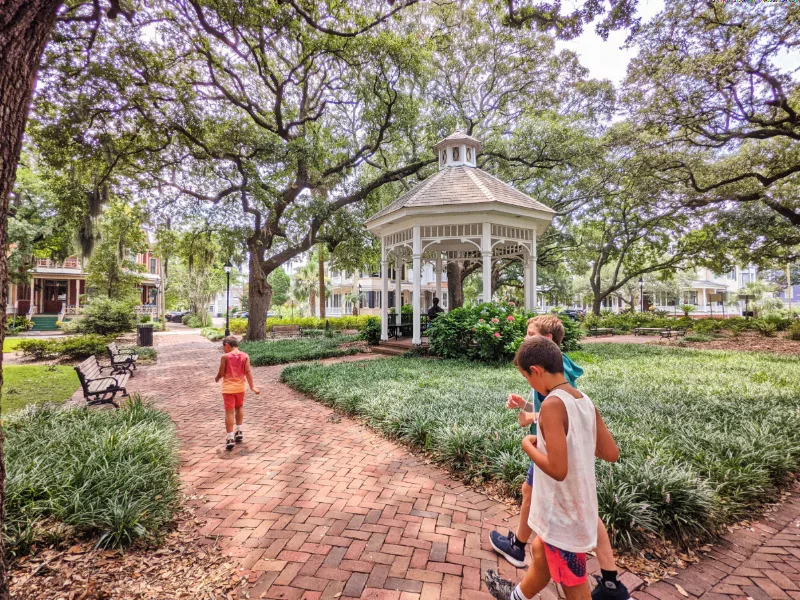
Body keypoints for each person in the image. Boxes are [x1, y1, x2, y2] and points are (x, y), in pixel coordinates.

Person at [489, 315, 628, 600]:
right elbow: (610, 453)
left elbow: (558, 469)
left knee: (574, 587)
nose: (529, 383)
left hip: (562, 514)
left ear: (537, 370)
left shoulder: (552, 405)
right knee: (540, 552)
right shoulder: (584, 400)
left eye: (527, 377)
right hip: (581, 508)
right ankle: (516, 597)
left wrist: (529, 444)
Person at [215, 336, 260, 451]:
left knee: (229, 412)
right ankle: (239, 431)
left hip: (228, 389)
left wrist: (217, 378)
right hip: (240, 388)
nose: (223, 349)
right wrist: (252, 386)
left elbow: (221, 372)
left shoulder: (225, 357)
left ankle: (230, 438)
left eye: (223, 347)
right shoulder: (245, 356)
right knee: (239, 408)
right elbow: (248, 371)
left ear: (227, 345)